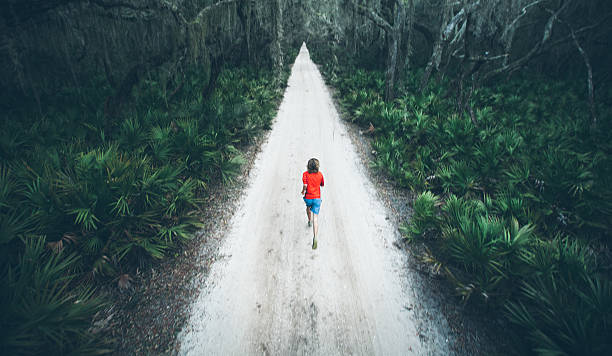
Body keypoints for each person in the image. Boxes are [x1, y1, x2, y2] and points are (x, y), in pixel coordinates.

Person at [301, 158, 324, 249]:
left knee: (308, 207)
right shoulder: (320, 174)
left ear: (308, 166)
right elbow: (322, 184)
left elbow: (305, 186)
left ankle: (309, 221)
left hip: (308, 197)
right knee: (316, 218)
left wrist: (303, 191)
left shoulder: (305, 174)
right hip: (317, 198)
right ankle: (315, 237)